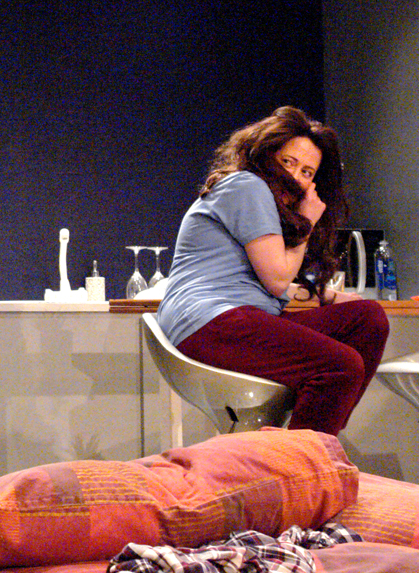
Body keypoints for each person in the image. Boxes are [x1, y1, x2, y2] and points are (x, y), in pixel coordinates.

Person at [156, 106, 388, 436]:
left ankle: (311, 441)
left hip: (232, 315)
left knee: (367, 318)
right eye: (288, 162)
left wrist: (327, 295)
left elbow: (256, 280)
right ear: (265, 154)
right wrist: (307, 220)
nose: (295, 177)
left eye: (307, 172)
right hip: (208, 322)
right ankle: (301, 458)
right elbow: (277, 280)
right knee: (340, 366)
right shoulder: (248, 186)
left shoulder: (253, 195)